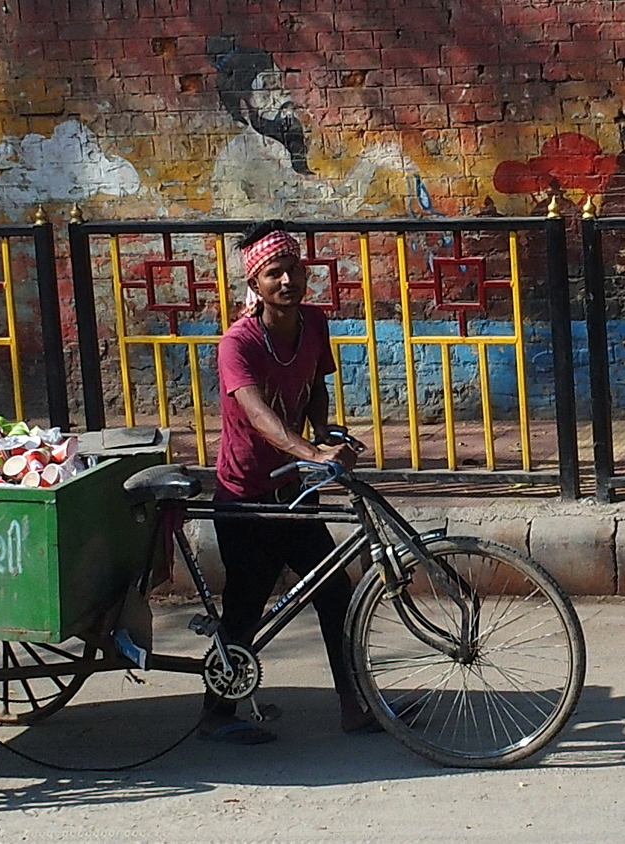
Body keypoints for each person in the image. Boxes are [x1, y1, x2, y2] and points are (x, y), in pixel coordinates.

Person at [200, 220, 374, 743]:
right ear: (255, 285)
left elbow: (316, 384)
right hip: (246, 494)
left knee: (334, 591)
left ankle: (355, 706)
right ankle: (216, 716)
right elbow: (259, 417)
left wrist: (326, 432)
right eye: (274, 273)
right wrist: (313, 452)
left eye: (293, 270)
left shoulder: (314, 323)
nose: (287, 281)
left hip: (294, 490)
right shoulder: (238, 343)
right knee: (246, 605)